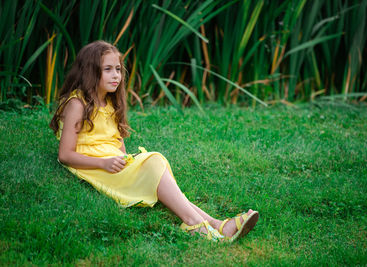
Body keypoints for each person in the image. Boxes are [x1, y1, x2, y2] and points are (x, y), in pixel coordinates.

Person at [50, 40, 259, 242]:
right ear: (90, 71)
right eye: (108, 69)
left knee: (155, 164)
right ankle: (194, 224)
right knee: (154, 161)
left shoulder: (111, 103)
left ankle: (216, 224)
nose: (116, 76)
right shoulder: (77, 104)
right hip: (94, 166)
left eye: (118, 69)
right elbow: (65, 155)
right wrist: (103, 163)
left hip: (113, 162)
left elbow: (117, 144)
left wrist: (127, 161)